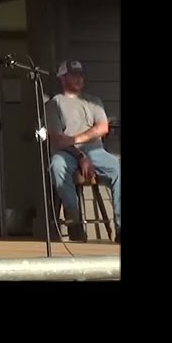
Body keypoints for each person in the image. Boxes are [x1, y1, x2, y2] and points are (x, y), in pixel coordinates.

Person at [45, 60, 121, 244]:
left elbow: (102, 128)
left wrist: (75, 139)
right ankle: (74, 220)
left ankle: (120, 226)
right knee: (57, 166)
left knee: (116, 168)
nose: (79, 78)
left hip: (95, 151)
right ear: (62, 78)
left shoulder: (93, 101)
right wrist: (80, 155)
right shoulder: (54, 104)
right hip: (66, 153)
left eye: (80, 74)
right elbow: (58, 139)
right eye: (73, 75)